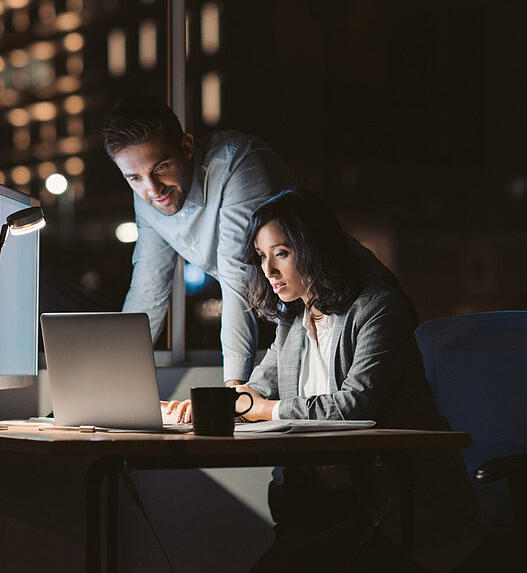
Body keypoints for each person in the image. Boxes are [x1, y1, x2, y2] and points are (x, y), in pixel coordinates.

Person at [165, 189, 479, 572]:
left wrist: (259, 408)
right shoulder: (293, 321)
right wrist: (206, 408)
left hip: (395, 502)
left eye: (281, 253)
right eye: (262, 257)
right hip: (329, 500)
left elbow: (354, 406)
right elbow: (256, 390)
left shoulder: (378, 308)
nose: (269, 271)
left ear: (314, 247)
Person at [102, 95, 400, 385]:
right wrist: (109, 388)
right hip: (298, 320)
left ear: (187, 147)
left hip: (354, 302)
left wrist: (228, 396)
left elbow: (237, 281)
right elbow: (147, 292)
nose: (152, 189)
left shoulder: (238, 164)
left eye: (160, 167)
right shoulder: (148, 198)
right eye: (134, 178)